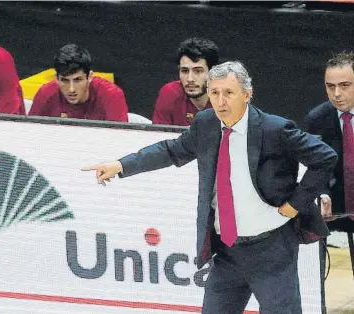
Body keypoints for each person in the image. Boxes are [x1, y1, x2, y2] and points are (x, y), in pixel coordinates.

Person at [82, 61, 337, 313]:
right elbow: (171, 151)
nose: (220, 101)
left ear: (247, 94)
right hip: (227, 252)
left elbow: (325, 158)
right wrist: (121, 165)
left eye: (228, 93)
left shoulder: (275, 129)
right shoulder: (206, 124)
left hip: (271, 250)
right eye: (214, 93)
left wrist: (293, 206)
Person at [304, 51, 354, 233]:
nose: (337, 94)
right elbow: (314, 166)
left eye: (345, 85)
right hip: (336, 214)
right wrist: (322, 194)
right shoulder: (317, 119)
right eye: (330, 86)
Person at [28, 44, 129, 122]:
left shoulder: (112, 95)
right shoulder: (46, 93)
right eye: (65, 80)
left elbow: (119, 142)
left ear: (89, 77)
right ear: (56, 79)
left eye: (78, 80)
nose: (71, 89)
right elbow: (29, 134)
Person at [152, 37, 219, 126]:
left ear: (213, 72)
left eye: (198, 71)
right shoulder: (170, 93)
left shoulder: (226, 98)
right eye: (184, 71)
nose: (190, 79)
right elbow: (158, 137)